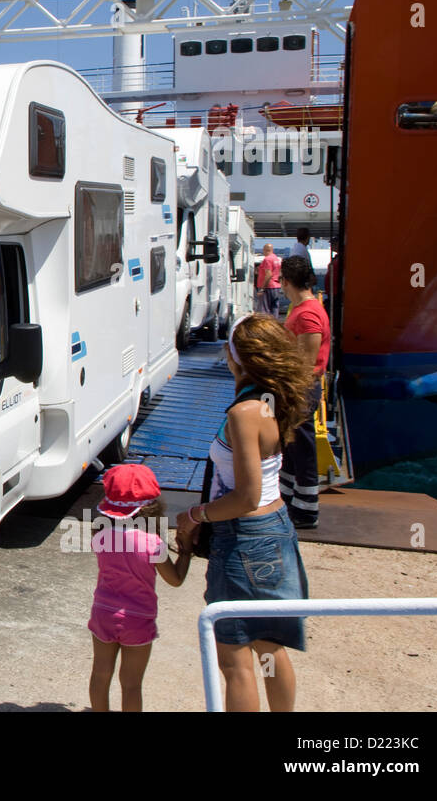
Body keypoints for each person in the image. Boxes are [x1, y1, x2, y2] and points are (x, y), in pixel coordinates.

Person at [176, 314, 314, 712]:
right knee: (270, 648)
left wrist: (196, 515)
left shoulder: (244, 412)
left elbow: (246, 496)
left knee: (235, 660)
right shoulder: (273, 400)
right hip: (275, 531)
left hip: (245, 539)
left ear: (236, 357)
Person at [87, 463, 190, 712]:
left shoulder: (100, 536)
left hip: (103, 613)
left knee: (100, 674)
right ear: (151, 506)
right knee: (131, 685)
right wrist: (186, 552)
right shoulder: (152, 544)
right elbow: (175, 580)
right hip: (138, 619)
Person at [280, 255, 331, 529]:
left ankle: (307, 510)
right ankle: (289, 500)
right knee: (292, 445)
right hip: (299, 386)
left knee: (302, 446)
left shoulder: (307, 313)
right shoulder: (302, 309)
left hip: (302, 387)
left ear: (286, 281)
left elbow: (307, 361)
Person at [255, 243, 282, 317]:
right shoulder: (276, 259)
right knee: (274, 308)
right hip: (276, 286)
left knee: (265, 310)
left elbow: (269, 274)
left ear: (265, 250)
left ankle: (266, 327)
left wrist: (262, 289)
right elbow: (279, 273)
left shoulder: (267, 259)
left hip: (268, 287)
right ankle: (275, 325)